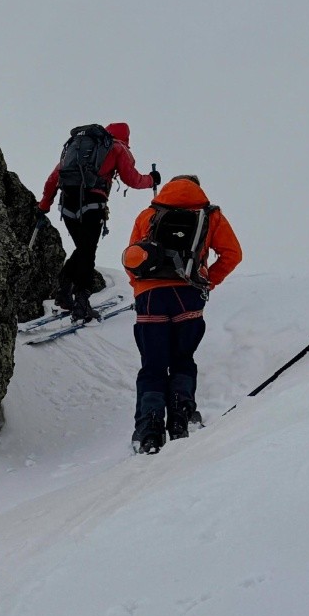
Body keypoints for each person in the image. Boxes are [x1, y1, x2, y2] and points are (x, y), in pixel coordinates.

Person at [122, 174, 243, 454]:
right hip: (188, 296)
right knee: (182, 359)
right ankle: (182, 418)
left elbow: (132, 259)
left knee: (153, 366)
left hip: (150, 298)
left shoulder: (149, 214)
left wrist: (141, 287)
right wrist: (207, 282)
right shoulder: (210, 216)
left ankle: (149, 430)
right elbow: (232, 254)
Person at [36, 123, 161, 322]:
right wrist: (151, 180)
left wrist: (44, 205)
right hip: (92, 205)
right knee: (87, 251)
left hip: (67, 204)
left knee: (83, 248)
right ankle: (81, 302)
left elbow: (54, 177)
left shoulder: (78, 148)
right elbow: (132, 179)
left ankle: (64, 289)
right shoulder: (117, 147)